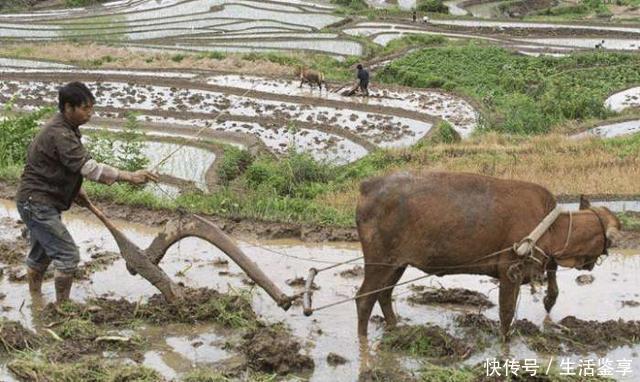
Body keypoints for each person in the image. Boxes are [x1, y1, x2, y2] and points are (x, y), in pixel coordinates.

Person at [16, 81, 158, 304]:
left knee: (40, 254)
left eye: (92, 107)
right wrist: (129, 176)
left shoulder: (66, 129)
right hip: (37, 203)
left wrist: (74, 189)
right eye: (85, 108)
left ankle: (35, 300)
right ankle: (63, 309)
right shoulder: (59, 134)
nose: (90, 113)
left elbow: (58, 166)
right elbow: (90, 169)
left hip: (37, 200)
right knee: (67, 255)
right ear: (68, 107)